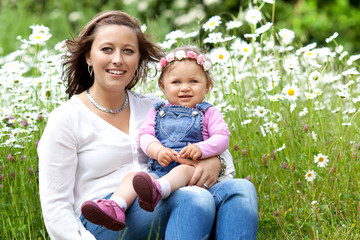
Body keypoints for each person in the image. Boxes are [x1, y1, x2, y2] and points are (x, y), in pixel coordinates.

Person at [38, 10, 258, 240]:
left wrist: (216, 162)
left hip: (164, 194)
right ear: (88, 56)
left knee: (241, 190)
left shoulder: (157, 108)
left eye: (128, 51)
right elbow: (55, 208)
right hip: (106, 219)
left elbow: (208, 145)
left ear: (138, 59)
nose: (118, 59)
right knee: (195, 198)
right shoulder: (66, 119)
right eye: (106, 49)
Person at [80, 46, 231, 230]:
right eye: (176, 82)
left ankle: (159, 190)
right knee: (134, 177)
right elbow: (145, 135)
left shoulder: (208, 112)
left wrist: (201, 149)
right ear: (163, 86)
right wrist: (157, 150)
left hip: (189, 170)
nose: (185, 88)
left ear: (207, 86)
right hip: (159, 170)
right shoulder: (157, 110)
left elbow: (222, 137)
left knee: (182, 170)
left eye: (194, 81)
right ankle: (115, 206)